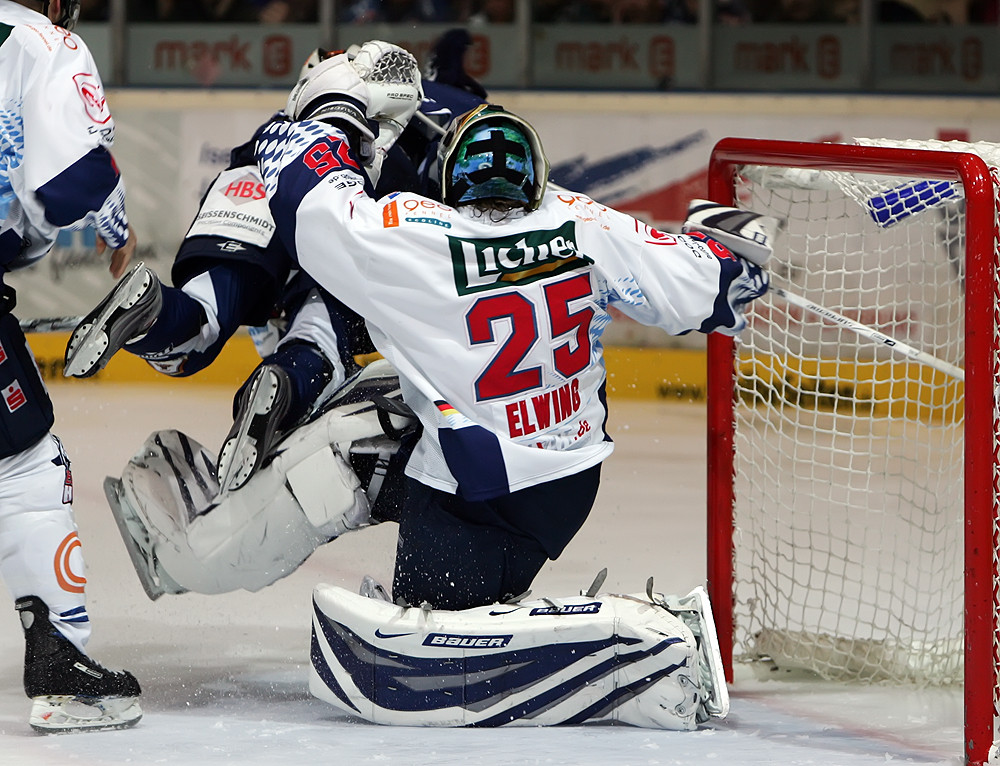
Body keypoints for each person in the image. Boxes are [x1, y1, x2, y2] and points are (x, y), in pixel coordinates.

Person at [254, 51, 776, 728]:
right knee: (424, 483)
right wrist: (733, 249)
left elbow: (308, 206)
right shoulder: (581, 221)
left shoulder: (415, 233)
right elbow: (710, 289)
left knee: (436, 634)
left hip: (473, 489)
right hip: (565, 485)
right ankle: (505, 611)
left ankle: (634, 642)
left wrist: (328, 115)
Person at [0, 0, 141, 732]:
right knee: (25, 469)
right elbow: (69, 185)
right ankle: (62, 669)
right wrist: (113, 214)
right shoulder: (39, 41)